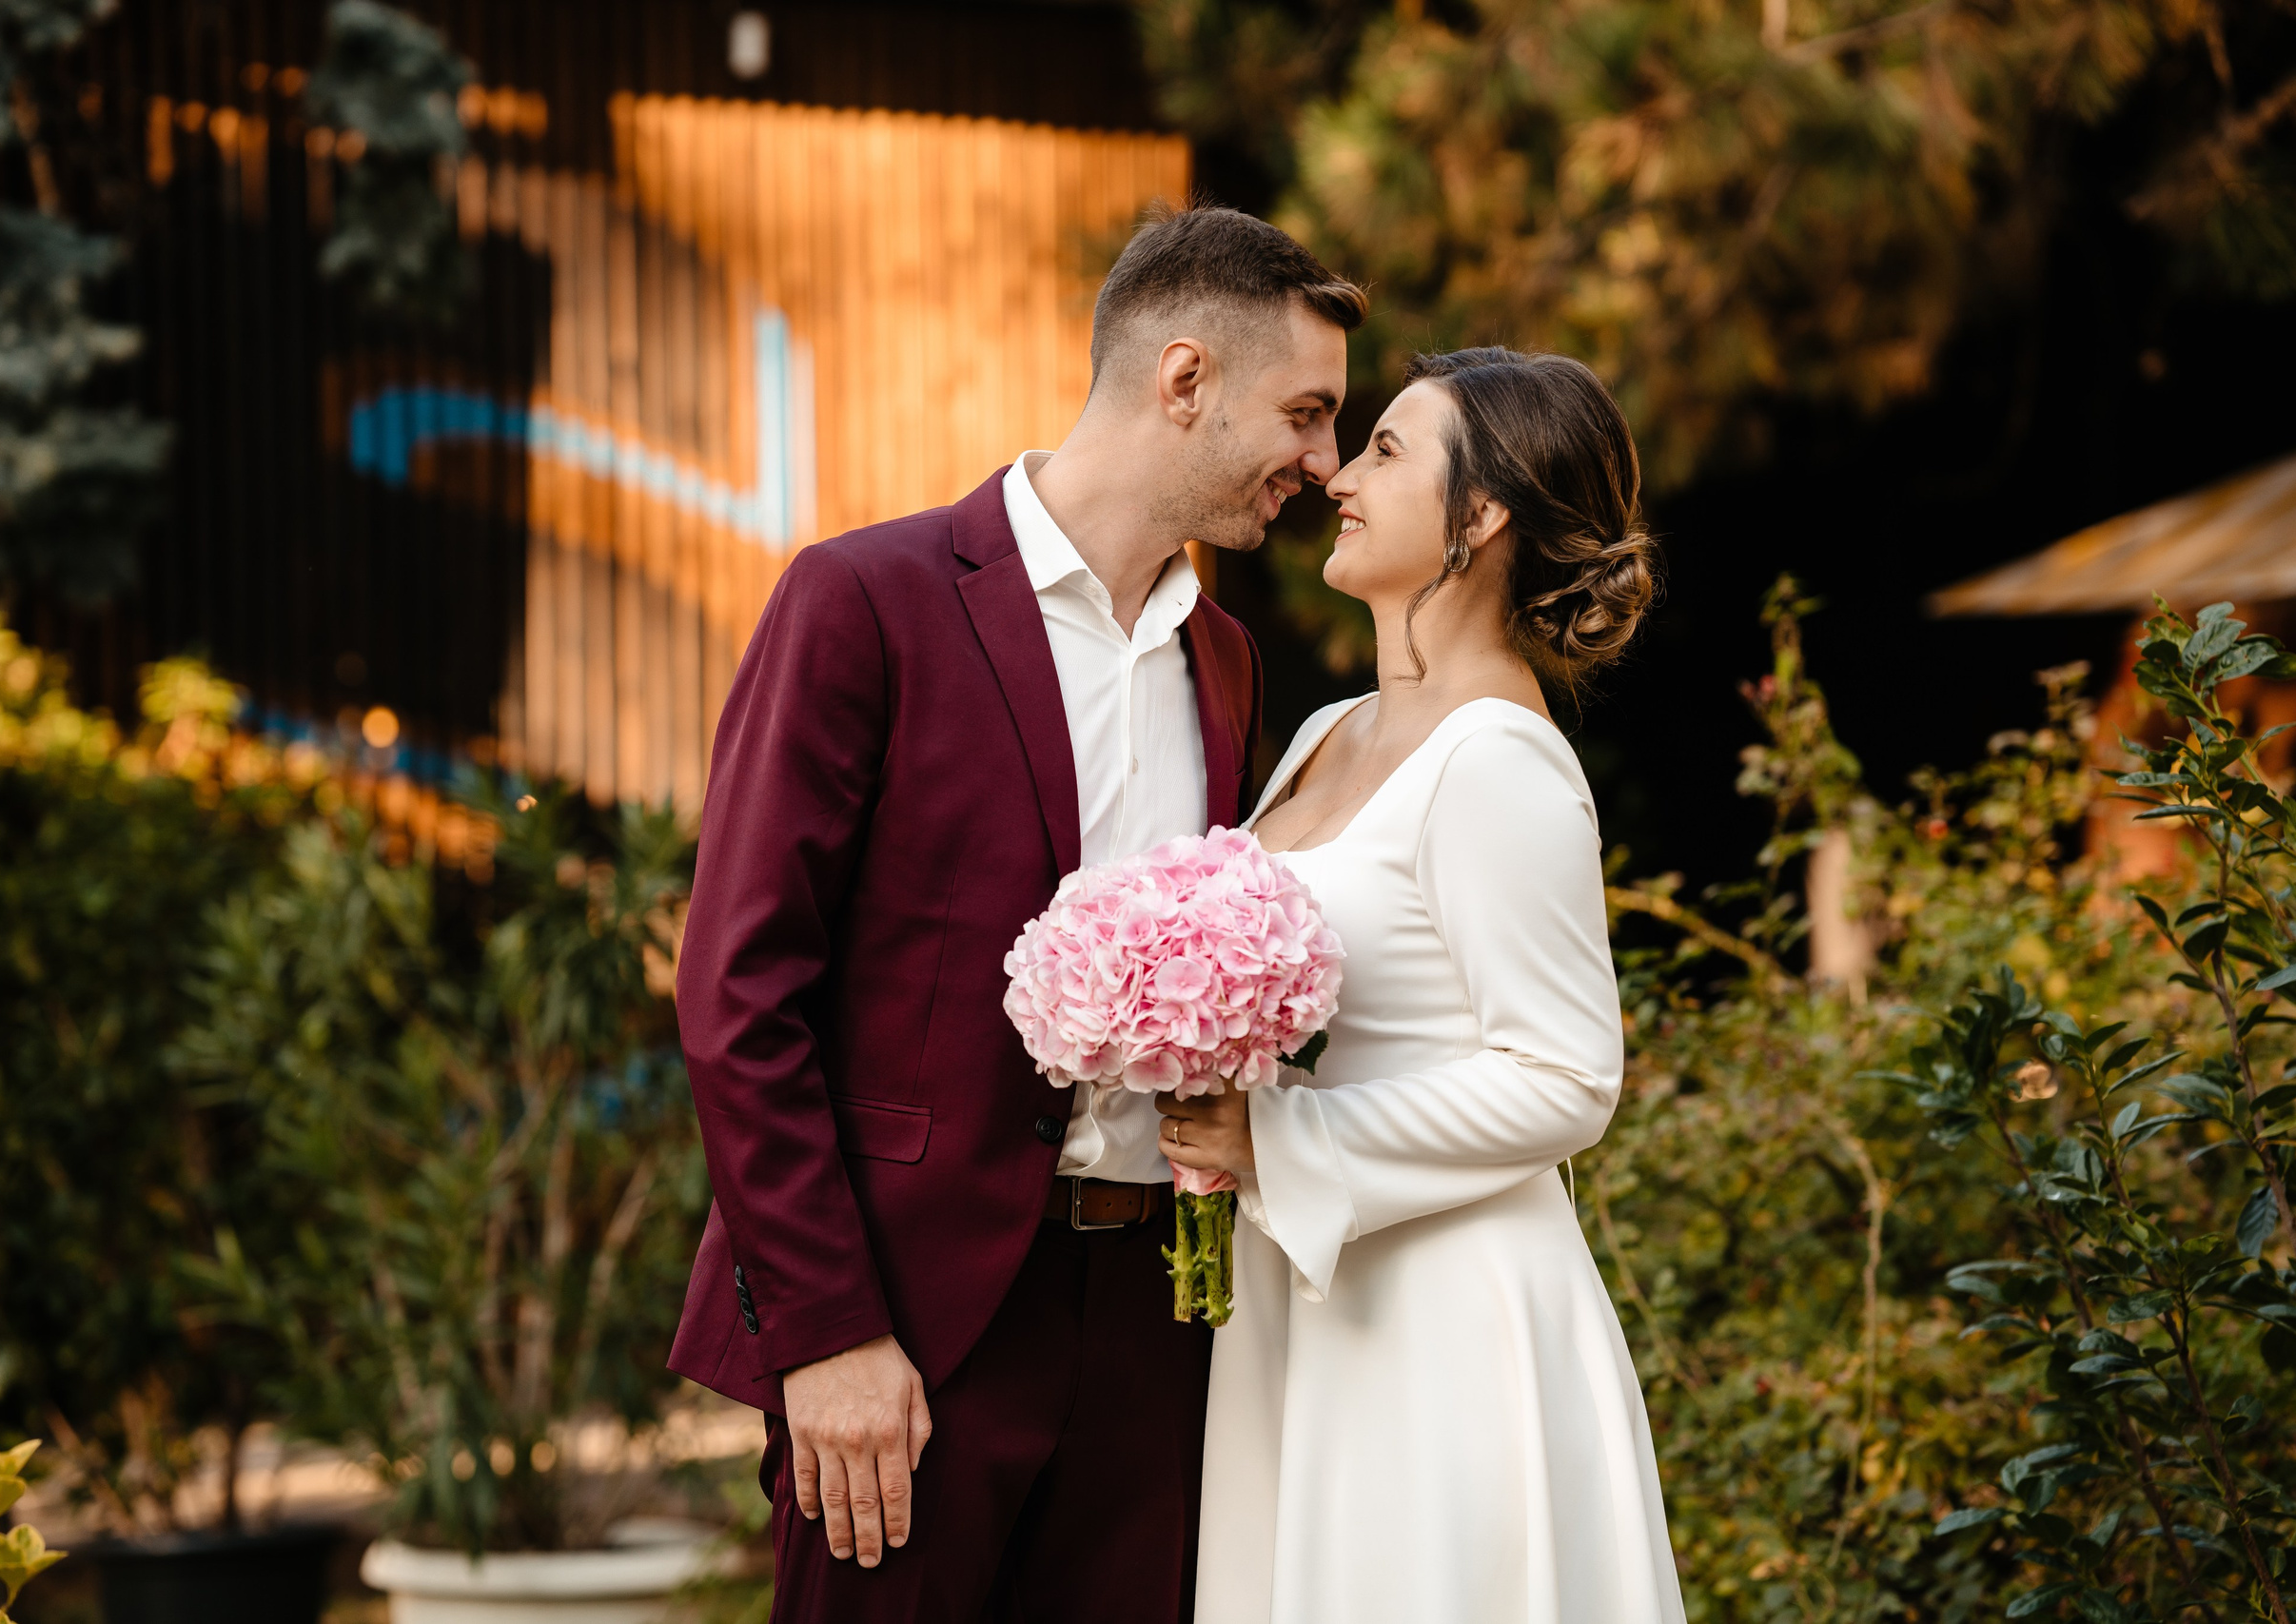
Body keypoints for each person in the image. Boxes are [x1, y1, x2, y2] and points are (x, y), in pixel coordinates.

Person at [665, 206, 1365, 1623]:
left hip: (1157, 1332)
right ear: (1185, 381)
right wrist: (830, 1336)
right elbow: (739, 993)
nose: (1325, 464)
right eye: (1305, 413)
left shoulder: (1225, 665)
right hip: (910, 1325)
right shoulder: (865, 600)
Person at [1157, 348, 1687, 1623]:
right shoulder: (1329, 732)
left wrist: (1283, 1136)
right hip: (1308, 1296)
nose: (1337, 473)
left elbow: (1567, 1080)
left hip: (1442, 1317)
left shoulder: (1501, 760)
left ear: (1483, 515)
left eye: (1387, 451)